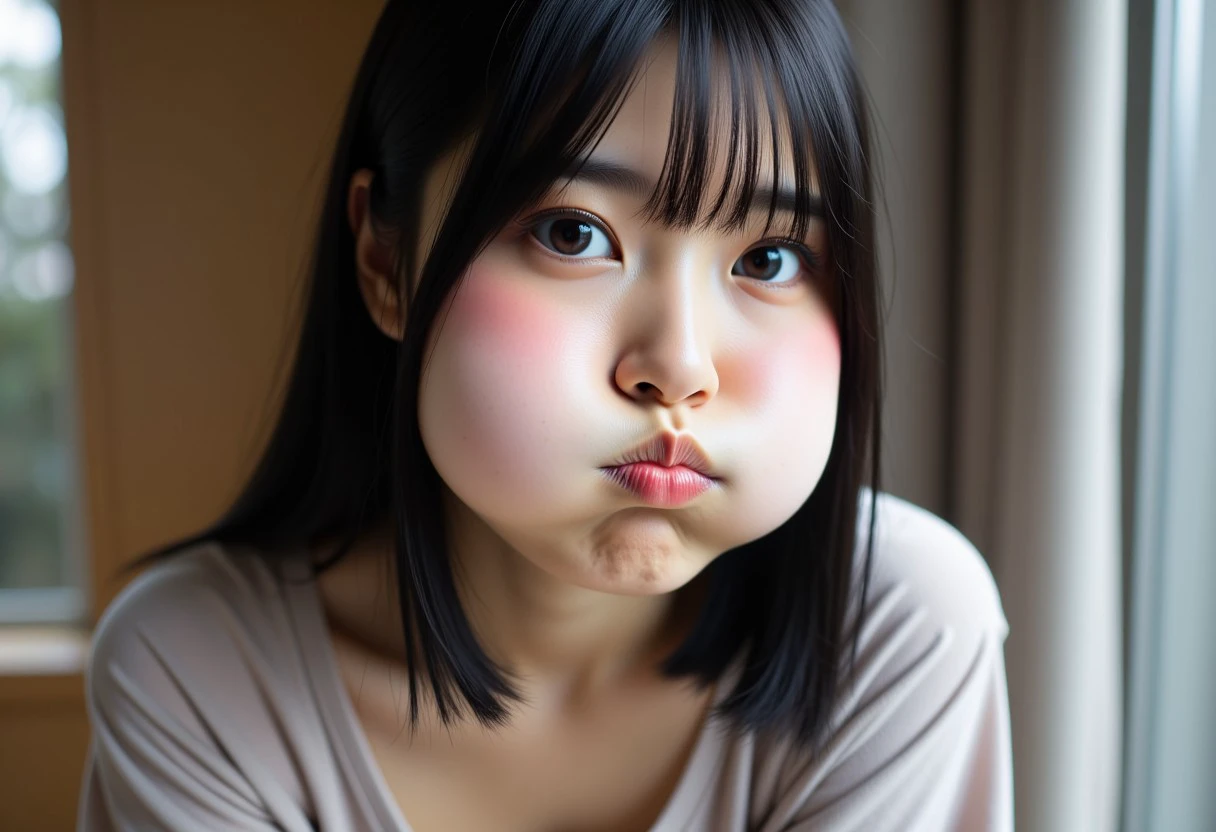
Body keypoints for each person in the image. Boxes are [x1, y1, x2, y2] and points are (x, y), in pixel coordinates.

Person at [76, 1, 1013, 829]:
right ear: (383, 261)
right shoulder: (196, 675)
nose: (679, 368)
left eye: (769, 259)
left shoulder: (896, 631)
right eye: (574, 235)